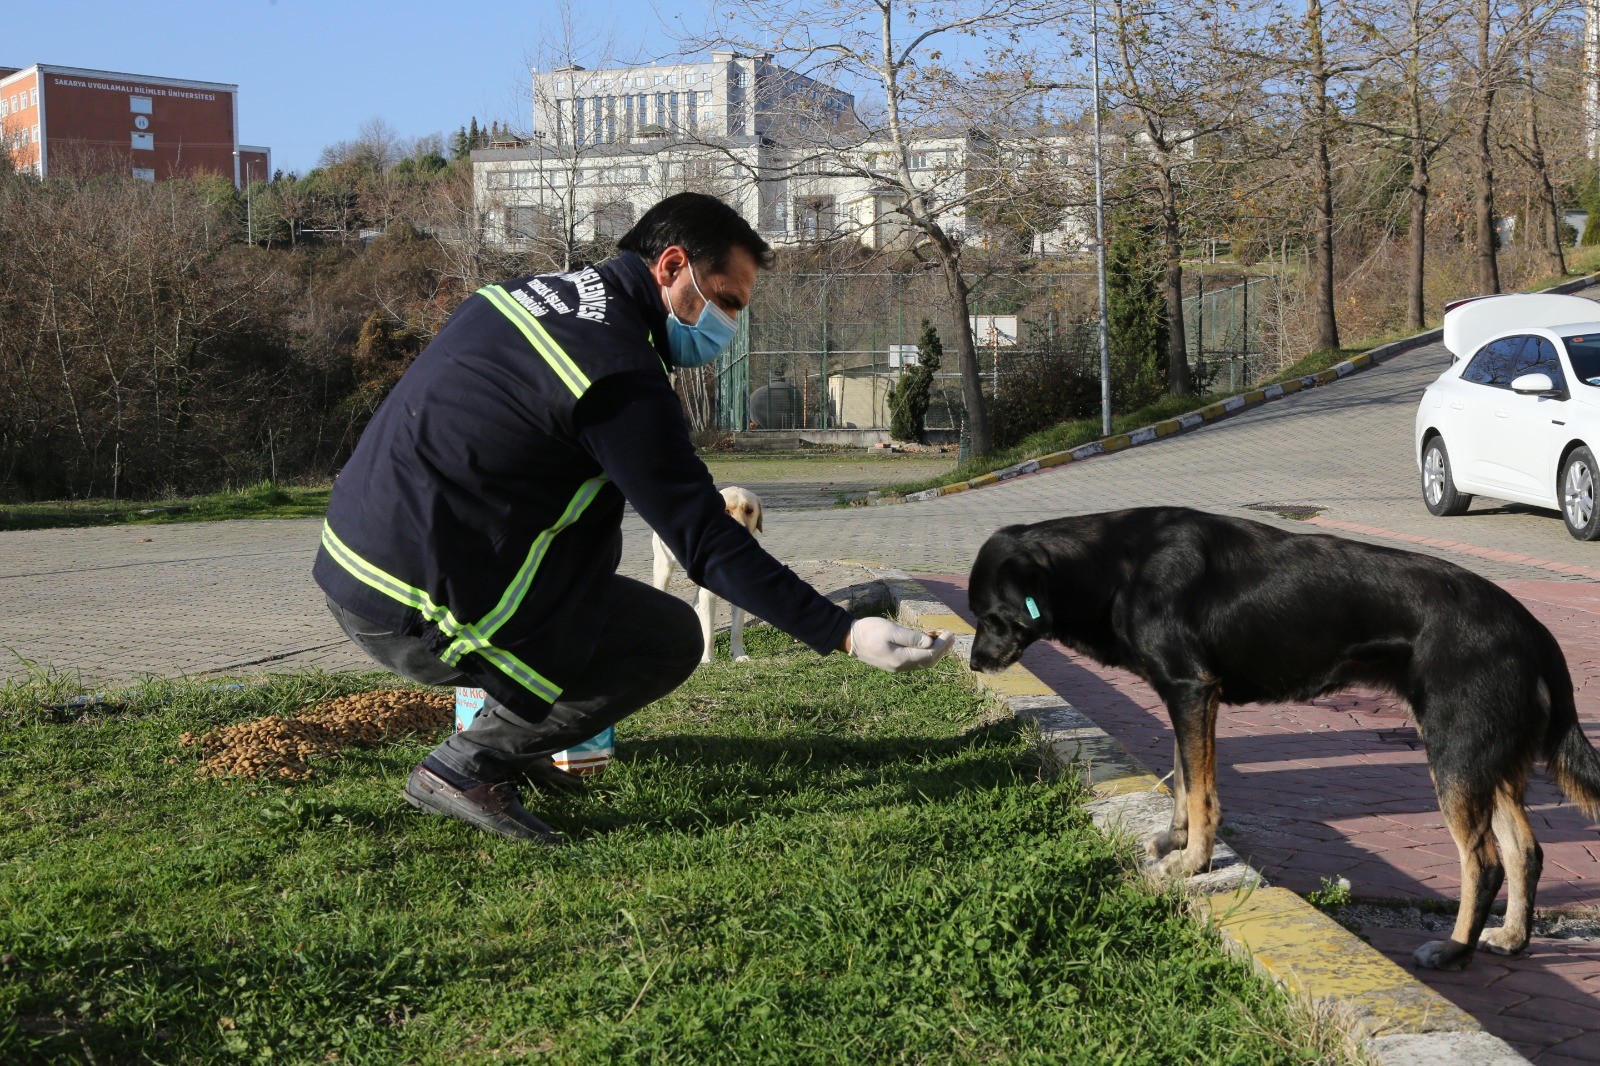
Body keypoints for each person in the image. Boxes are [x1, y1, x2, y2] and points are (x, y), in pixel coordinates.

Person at [314, 192, 953, 844]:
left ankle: (509, 747)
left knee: (601, 598)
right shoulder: (615, 369)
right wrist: (844, 633)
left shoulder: (522, 295)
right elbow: (704, 540)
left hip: (354, 558)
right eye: (727, 302)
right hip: (408, 601)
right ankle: (466, 763)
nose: (730, 324)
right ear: (672, 266)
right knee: (665, 639)